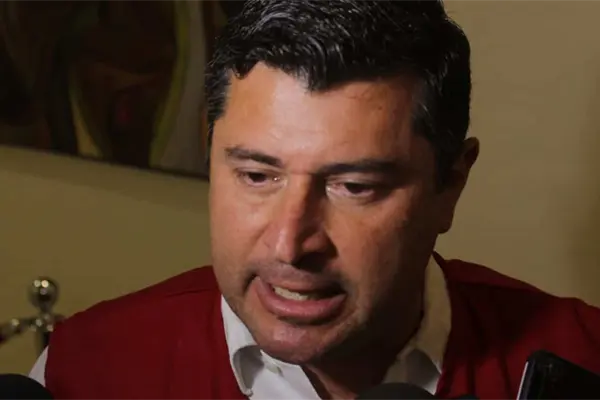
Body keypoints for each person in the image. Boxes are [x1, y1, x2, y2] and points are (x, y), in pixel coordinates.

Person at [28, 0, 600, 399]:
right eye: (257, 175)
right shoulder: (85, 369)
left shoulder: (583, 354)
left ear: (450, 184)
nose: (290, 244)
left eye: (353, 187)